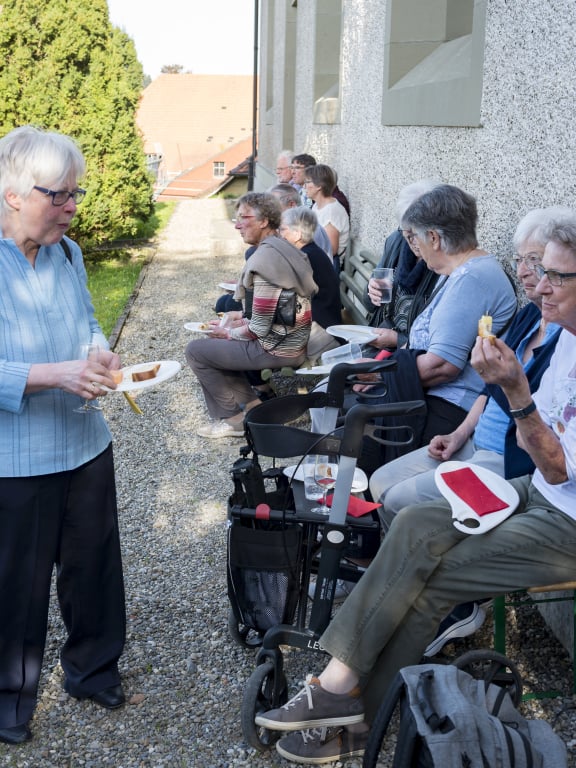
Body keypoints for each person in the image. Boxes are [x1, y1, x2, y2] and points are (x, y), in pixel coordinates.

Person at [255, 217, 576, 766]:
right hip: (535, 490)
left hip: (566, 518)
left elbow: (557, 471)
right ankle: (339, 691)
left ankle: (354, 713)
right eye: (538, 269)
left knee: (430, 578)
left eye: (556, 277)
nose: (538, 284)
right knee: (416, 523)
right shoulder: (565, 337)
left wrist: (514, 389)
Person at [368, 206, 573, 657]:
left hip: (510, 458)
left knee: (403, 502)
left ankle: (456, 608)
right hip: (478, 438)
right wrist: (460, 433)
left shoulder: (564, 331)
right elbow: (487, 389)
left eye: (537, 262)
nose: (526, 273)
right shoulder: (526, 316)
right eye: (520, 260)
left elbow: (545, 437)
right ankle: (392, 597)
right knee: (380, 482)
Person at [0, 126, 126, 745]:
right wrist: (56, 374)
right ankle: (8, 698)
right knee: (15, 584)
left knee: (93, 566)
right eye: (60, 195)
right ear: (12, 193)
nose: (73, 207)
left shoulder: (67, 254)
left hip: (84, 443)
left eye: (75, 194)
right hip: (14, 458)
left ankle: (93, 667)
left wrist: (100, 355)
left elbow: (89, 321)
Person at [185, 192, 317, 438]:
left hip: (277, 349)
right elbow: (279, 312)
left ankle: (233, 420)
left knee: (196, 351)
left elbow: (259, 328)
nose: (236, 225)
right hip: (293, 342)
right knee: (217, 345)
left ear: (264, 221)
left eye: (244, 218)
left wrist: (228, 332)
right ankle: (253, 406)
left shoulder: (266, 261)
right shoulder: (283, 249)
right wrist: (236, 323)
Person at [364, 179, 442, 354]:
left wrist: (397, 340)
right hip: (378, 342)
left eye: (415, 233)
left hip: (411, 355)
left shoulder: (443, 263)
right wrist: (371, 291)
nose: (411, 242)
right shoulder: (397, 242)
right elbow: (369, 305)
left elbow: (439, 344)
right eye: (406, 233)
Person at [279, 206, 342, 360]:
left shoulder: (306, 258)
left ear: (297, 234)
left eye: (283, 230)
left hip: (323, 328)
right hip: (321, 321)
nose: (280, 235)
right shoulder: (310, 252)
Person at [304, 164, 351, 272]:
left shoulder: (332, 210)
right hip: (316, 258)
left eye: (307, 182)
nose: (304, 186)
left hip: (328, 265)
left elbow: (331, 250)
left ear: (319, 186)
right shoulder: (316, 205)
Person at [270, 183, 333, 261]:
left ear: (292, 204)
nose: (270, 211)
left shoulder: (308, 227)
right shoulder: (288, 224)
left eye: (274, 206)